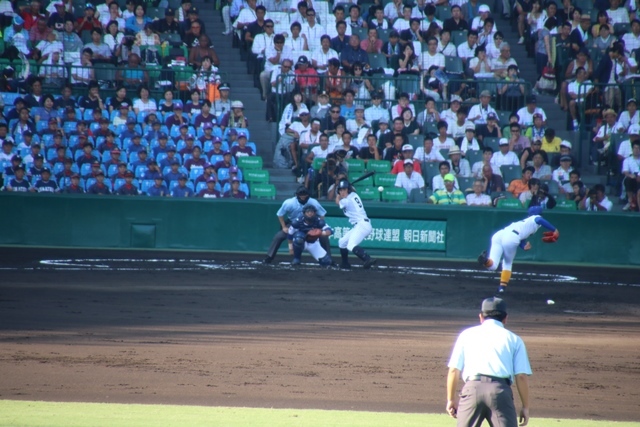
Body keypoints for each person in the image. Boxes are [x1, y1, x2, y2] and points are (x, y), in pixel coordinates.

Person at [446, 297, 532, 427]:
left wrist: (450, 399)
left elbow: (454, 370)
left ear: (481, 317)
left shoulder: (466, 335)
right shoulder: (514, 339)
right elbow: (521, 376)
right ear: (505, 318)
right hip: (500, 392)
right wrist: (525, 406)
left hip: (472, 390)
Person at [479, 206, 559, 294]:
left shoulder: (524, 223)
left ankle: (485, 260)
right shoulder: (535, 218)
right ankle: (502, 287)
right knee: (507, 263)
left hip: (499, 235)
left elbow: (520, 237)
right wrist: (554, 229)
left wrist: (523, 246)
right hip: (511, 237)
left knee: (492, 266)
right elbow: (539, 220)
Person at [263, 186, 328, 264]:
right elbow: (279, 214)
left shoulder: (313, 202)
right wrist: (284, 227)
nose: (303, 197)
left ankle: (328, 258)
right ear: (296, 195)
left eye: (305, 195)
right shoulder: (289, 203)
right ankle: (269, 257)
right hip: (293, 224)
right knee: (279, 236)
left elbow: (322, 214)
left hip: (309, 224)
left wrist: (317, 227)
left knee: (323, 237)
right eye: (301, 195)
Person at [335, 179, 377, 269]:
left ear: (348, 190)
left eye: (344, 189)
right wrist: (347, 188)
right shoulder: (354, 195)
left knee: (350, 245)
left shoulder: (347, 200)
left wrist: (338, 195)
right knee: (342, 242)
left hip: (362, 225)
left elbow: (338, 202)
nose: (342, 192)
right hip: (360, 225)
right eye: (341, 190)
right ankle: (345, 264)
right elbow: (353, 191)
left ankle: (367, 259)